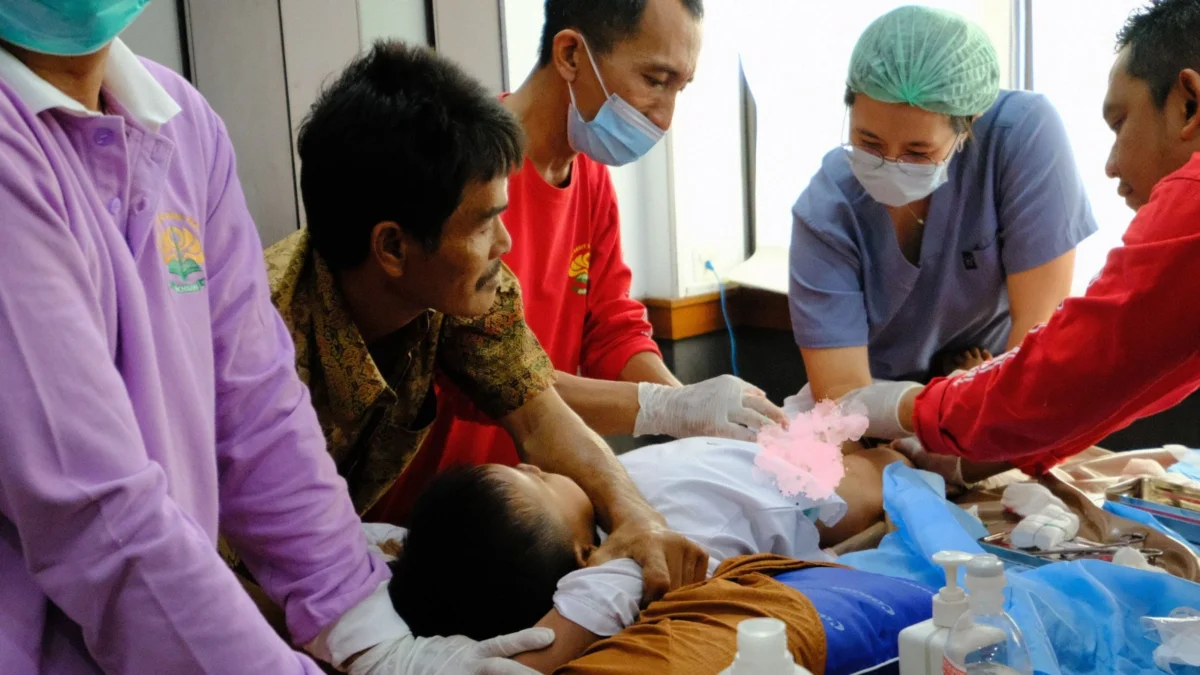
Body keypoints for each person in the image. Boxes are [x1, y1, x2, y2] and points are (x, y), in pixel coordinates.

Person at [0, 4, 553, 674]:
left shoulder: (179, 123)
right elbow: (94, 508)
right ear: (391, 245)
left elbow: (258, 412)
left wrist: (375, 641)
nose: (506, 242)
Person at [265, 41, 706, 604]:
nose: (507, 242)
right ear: (393, 247)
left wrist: (636, 516)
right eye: (485, 224)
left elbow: (541, 416)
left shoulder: (466, 290)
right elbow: (212, 571)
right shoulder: (257, 352)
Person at [376, 0, 786, 520]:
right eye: (655, 80)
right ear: (570, 53)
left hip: (539, 508)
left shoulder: (589, 180)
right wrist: (668, 408)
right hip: (436, 515)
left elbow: (610, 331)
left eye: (679, 88)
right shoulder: (465, 179)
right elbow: (480, 377)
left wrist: (700, 412)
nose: (664, 116)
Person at [841, 0, 1200, 479]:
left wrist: (913, 408)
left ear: (1189, 104)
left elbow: (1072, 368)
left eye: (1119, 124)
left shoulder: (1025, 131)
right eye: (869, 144)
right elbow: (1134, 374)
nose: (1110, 165)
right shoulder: (827, 199)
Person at [790, 5, 1097, 420]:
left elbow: (1036, 339)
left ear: (968, 124)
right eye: (869, 141)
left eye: (919, 152)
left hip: (996, 388)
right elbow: (843, 395)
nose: (891, 164)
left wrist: (977, 397)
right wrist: (948, 402)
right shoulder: (827, 211)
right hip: (875, 407)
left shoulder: (1020, 137)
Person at [386, 437, 910, 651]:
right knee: (896, 466)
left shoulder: (596, 498)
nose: (530, 462)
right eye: (541, 480)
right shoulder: (638, 566)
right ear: (585, 558)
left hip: (764, 453)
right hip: (795, 485)